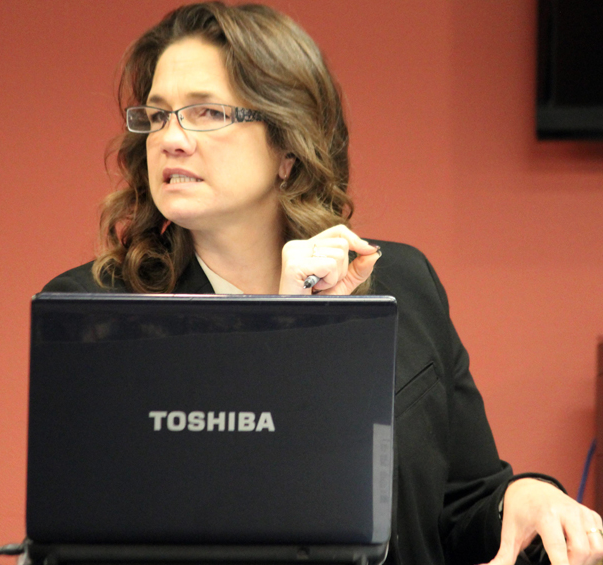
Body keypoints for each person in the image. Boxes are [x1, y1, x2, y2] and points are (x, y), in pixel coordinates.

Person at [42, 3, 603, 565]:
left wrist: (521, 499)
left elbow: (464, 501)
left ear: (287, 147)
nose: (171, 138)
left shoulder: (403, 283)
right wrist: (287, 333)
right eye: (158, 115)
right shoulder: (97, 319)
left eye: (206, 112)